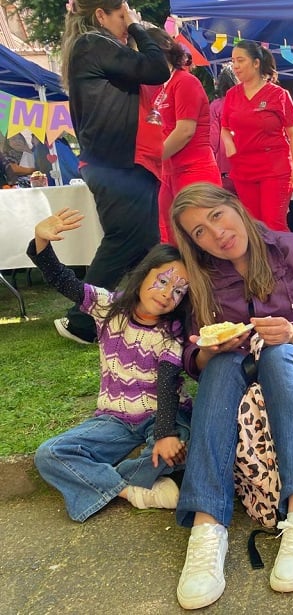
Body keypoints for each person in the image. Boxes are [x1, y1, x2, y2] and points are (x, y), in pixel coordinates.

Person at [169, 183, 293, 609]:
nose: (215, 234)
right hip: (245, 396)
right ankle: (206, 526)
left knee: (279, 352)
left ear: (235, 205)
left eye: (216, 216)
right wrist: (206, 351)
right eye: (199, 232)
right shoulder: (206, 279)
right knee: (221, 364)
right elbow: (193, 354)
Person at [29, 207, 192, 522]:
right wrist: (41, 242)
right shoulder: (108, 307)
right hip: (114, 421)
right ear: (144, 273)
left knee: (183, 444)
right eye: (162, 281)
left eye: (178, 292)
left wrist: (164, 434)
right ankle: (131, 490)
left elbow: (168, 384)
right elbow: (63, 280)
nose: (167, 294)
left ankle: (108, 477)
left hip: (164, 416)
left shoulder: (171, 331)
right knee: (49, 454)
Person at [58, 0, 170, 344]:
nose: (129, 21)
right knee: (125, 239)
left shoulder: (93, 47)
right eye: (122, 15)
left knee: (146, 243)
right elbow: (156, 68)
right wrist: (139, 29)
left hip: (118, 162)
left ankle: (145, 313)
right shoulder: (94, 44)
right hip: (115, 162)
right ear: (101, 16)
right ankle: (81, 318)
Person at [147, 28, 220, 244]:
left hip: (194, 170)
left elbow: (185, 131)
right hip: (170, 173)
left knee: (202, 237)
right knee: (170, 237)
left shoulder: (185, 81)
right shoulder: (160, 88)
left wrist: (152, 159)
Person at [221, 40, 293, 231]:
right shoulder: (232, 95)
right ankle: (260, 262)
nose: (235, 66)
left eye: (240, 60)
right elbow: (225, 128)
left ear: (256, 63)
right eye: (233, 61)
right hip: (243, 169)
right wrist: (229, 143)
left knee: (273, 224)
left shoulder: (279, 95)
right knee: (254, 227)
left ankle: (283, 261)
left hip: (274, 167)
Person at [209, 67, 238, 193]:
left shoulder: (216, 105)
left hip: (224, 169)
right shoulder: (247, 103)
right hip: (247, 166)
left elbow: (213, 140)